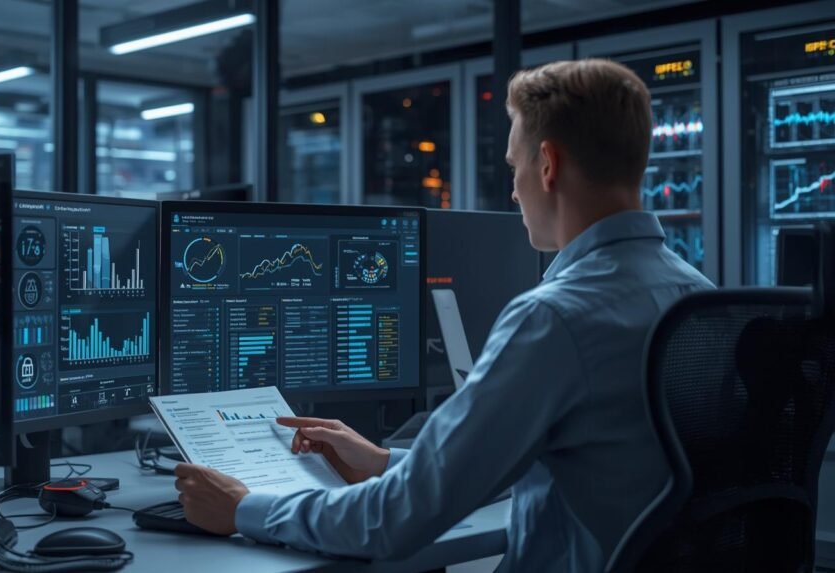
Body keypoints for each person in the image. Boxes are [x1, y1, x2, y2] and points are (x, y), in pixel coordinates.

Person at [173, 59, 715, 571]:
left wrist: (244, 508)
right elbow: (585, 465)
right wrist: (384, 461)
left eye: (515, 166)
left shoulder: (554, 319)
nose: (514, 190)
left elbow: (393, 521)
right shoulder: (699, 299)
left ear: (548, 165)